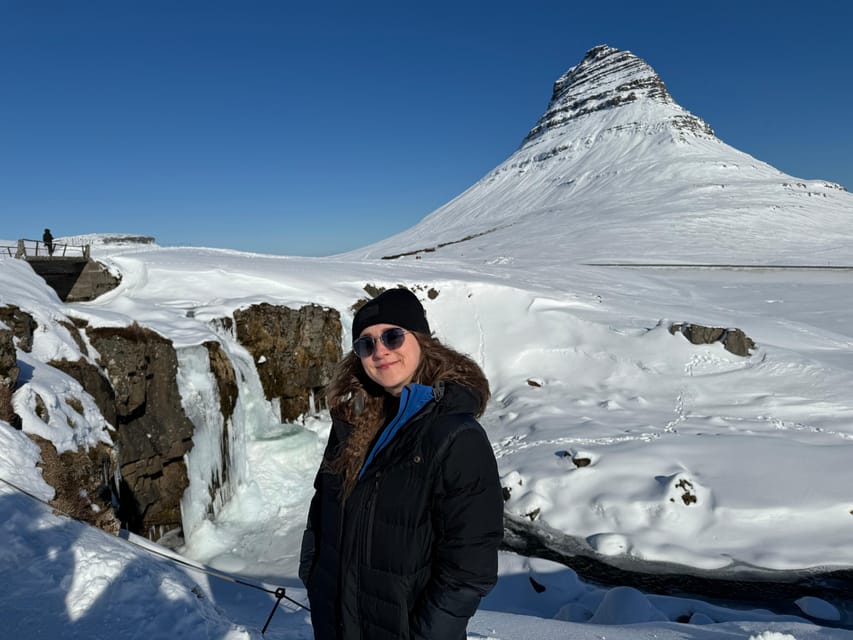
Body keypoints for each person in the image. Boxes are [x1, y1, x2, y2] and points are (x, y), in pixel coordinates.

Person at [299, 287, 503, 640]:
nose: (380, 351)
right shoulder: (351, 424)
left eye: (393, 336)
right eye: (366, 344)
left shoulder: (455, 435)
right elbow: (322, 510)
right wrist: (314, 575)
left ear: (422, 340)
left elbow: (470, 567)